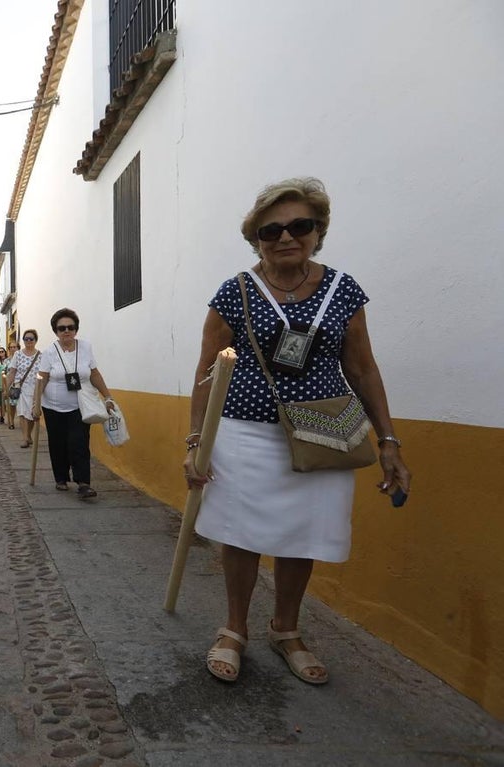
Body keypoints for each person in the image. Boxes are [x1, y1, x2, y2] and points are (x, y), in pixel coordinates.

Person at [184, 177, 411, 686]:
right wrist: (196, 440)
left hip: (324, 432)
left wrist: (388, 440)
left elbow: (363, 368)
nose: (286, 237)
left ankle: (286, 629)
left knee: (300, 536)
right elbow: (206, 371)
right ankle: (234, 628)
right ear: (256, 238)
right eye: (271, 230)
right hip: (245, 431)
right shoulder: (236, 290)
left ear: (318, 230)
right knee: (241, 535)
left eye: (299, 226)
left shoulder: (343, 290)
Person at [32, 309, 117, 499]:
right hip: (52, 406)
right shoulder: (49, 352)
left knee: (79, 442)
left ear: (76, 329)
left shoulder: (86, 347)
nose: (66, 331)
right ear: (56, 331)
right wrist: (36, 403)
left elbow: (94, 374)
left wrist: (108, 396)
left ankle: (83, 482)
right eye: (61, 328)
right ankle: (61, 477)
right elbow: (42, 377)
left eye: (70, 327)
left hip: (80, 405)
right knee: (57, 443)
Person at [6, 330, 42, 448]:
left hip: (35, 388)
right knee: (22, 412)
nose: (28, 341)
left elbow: (44, 374)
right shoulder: (18, 354)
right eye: (26, 339)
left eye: (31, 339)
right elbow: (12, 372)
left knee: (31, 414)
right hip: (20, 387)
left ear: (36, 340)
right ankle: (25, 438)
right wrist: (6, 387)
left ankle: (28, 434)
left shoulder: (41, 356)